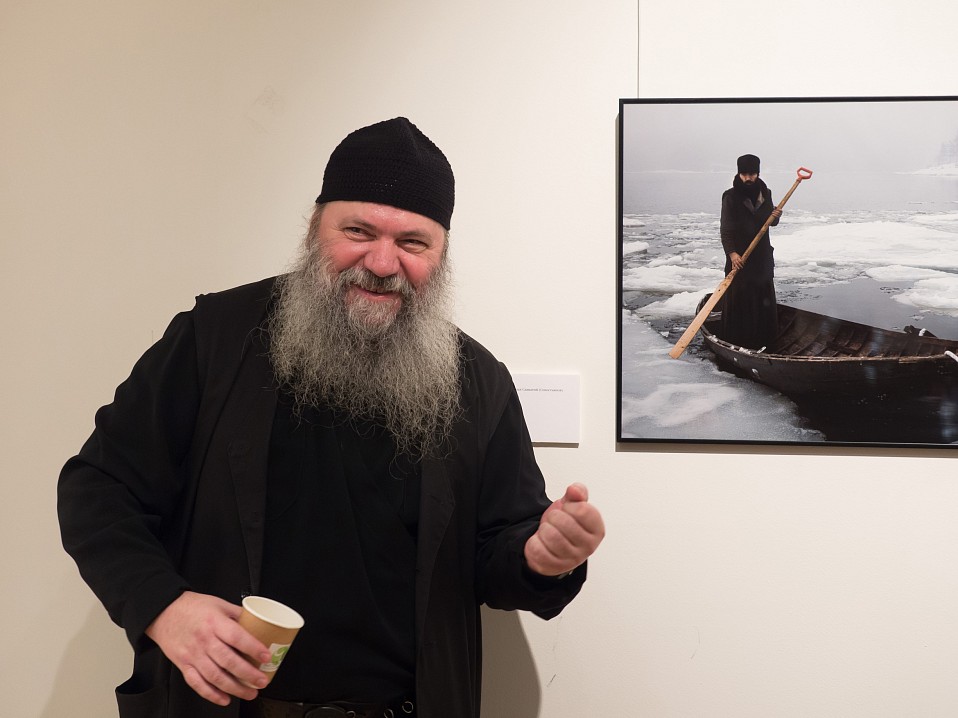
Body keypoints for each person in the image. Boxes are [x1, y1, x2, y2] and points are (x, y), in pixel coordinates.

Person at [57, 117, 605, 718]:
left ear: (441, 255)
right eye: (358, 231)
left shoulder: (478, 382)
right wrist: (164, 607)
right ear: (315, 229)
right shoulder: (214, 339)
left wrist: (539, 556)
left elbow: (497, 552)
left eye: (413, 243)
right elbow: (99, 489)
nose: (382, 262)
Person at [718, 153, 783, 349]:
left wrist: (776, 216)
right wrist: (732, 254)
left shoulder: (766, 193)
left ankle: (766, 342)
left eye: (752, 174)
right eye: (744, 174)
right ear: (739, 174)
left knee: (763, 300)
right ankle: (738, 342)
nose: (748, 178)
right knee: (740, 300)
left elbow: (771, 223)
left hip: (762, 258)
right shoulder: (730, 196)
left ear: (758, 173)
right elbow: (726, 229)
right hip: (740, 258)